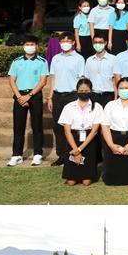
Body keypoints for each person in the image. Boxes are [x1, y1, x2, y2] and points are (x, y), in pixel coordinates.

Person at [6, 38, 49, 167]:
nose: (29, 46)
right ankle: (17, 155)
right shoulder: (17, 61)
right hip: (19, 95)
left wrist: (29, 95)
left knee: (37, 126)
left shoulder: (42, 62)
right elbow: (12, 80)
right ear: (23, 46)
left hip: (34, 95)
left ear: (36, 46)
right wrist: (20, 97)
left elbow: (43, 82)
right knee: (18, 126)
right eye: (27, 44)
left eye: (32, 44)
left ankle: (37, 154)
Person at [46, 33, 87, 166]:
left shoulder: (79, 59)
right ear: (59, 43)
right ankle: (61, 155)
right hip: (58, 95)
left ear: (73, 43)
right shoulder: (56, 58)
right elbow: (53, 78)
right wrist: (50, 96)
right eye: (63, 41)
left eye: (68, 41)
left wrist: (81, 97)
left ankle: (74, 152)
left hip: (72, 95)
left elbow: (81, 79)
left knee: (73, 126)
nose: (65, 43)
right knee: (58, 127)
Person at [56, 77, 104, 186]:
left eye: (86, 91)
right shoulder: (69, 107)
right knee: (71, 182)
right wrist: (75, 150)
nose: (84, 93)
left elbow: (95, 131)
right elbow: (67, 131)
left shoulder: (97, 107)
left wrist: (80, 149)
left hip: (89, 141)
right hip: (73, 140)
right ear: (77, 91)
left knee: (86, 182)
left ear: (91, 91)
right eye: (81, 91)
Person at [100, 77, 128, 185]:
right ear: (117, 89)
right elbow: (105, 126)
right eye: (121, 88)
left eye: (127, 87)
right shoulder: (110, 105)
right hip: (114, 138)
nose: (124, 90)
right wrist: (111, 145)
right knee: (111, 178)